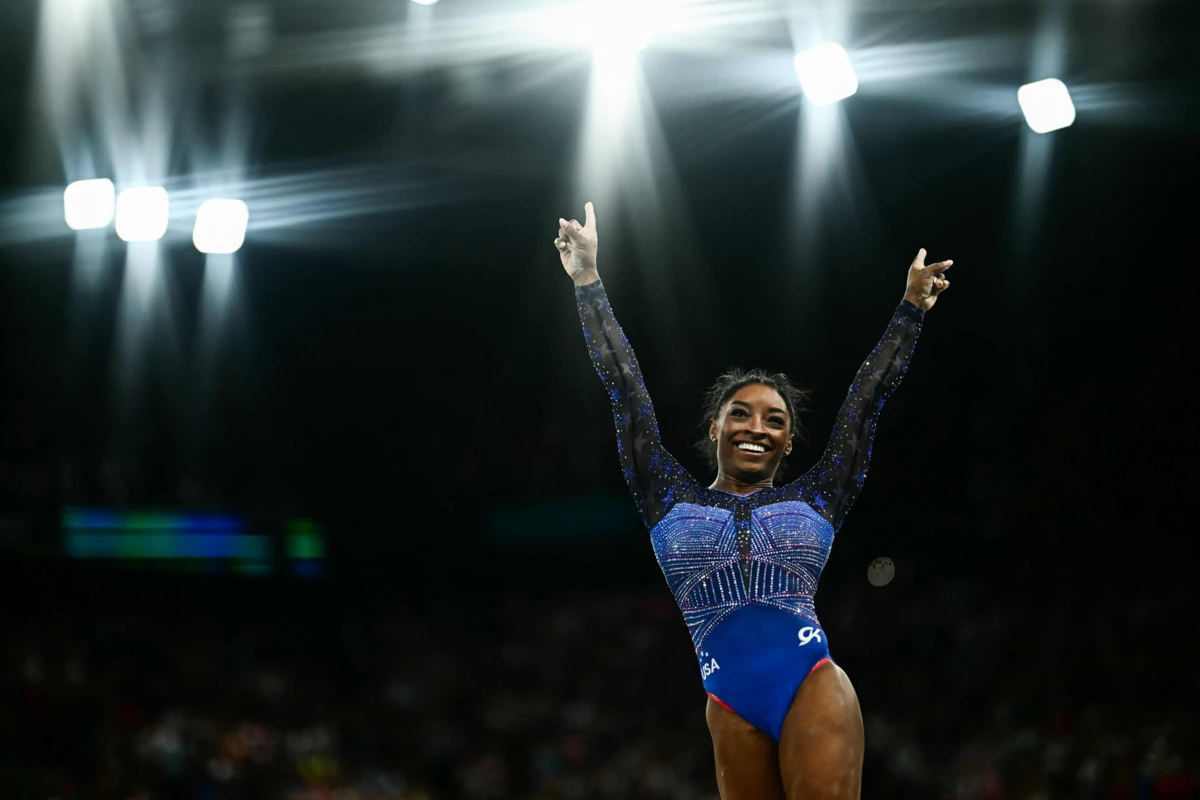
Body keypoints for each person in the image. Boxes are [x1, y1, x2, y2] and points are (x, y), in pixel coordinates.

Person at [553, 202, 953, 799]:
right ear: (714, 429)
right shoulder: (663, 496)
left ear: (788, 441)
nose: (755, 426)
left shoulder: (820, 496)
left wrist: (910, 311)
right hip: (726, 701)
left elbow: (866, 403)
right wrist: (588, 281)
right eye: (739, 413)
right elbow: (625, 389)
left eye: (774, 419)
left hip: (809, 679)